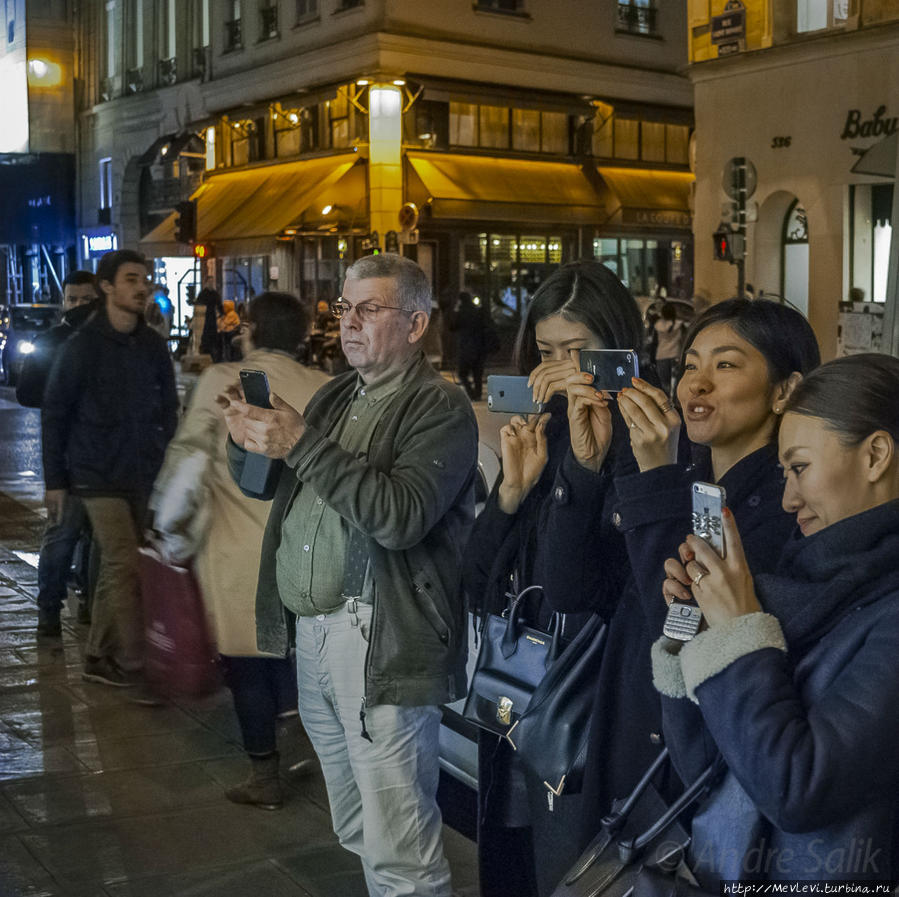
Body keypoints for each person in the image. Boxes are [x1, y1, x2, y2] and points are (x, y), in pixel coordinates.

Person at [217, 253, 478, 897]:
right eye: (344, 307)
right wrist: (250, 438)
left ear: (416, 324)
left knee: (401, 842)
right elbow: (265, 487)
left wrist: (299, 440)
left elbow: (400, 517)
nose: (349, 322)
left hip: (380, 637)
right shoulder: (336, 394)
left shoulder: (438, 407)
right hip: (314, 634)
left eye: (369, 308)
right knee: (357, 822)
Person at [538, 298, 820, 875]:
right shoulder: (679, 475)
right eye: (690, 364)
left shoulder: (790, 508)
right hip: (626, 745)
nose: (698, 384)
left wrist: (657, 479)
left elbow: (675, 622)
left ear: (785, 390)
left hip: (691, 778)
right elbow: (569, 591)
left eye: (726, 365)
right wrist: (586, 472)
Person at [653, 353, 899, 885]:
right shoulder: (798, 582)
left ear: (876, 454)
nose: (789, 499)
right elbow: (702, 768)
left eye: (801, 467)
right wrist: (698, 632)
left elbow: (798, 789)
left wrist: (740, 634)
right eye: (784, 473)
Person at [462, 260, 644, 897]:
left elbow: (582, 588)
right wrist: (512, 491)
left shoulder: (642, 438)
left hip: (585, 697)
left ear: (620, 349)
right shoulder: (541, 430)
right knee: (511, 853)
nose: (561, 368)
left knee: (566, 862)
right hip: (518, 679)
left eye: (579, 351)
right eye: (546, 352)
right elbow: (477, 580)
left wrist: (582, 474)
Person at [153, 291, 327, 807]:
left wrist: (166, 527)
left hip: (236, 551)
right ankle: (305, 736)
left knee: (248, 665)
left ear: (248, 329)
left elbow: (188, 464)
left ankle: (264, 776)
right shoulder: (323, 386)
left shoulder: (219, 382)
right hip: (305, 552)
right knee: (294, 657)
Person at [42, 249, 178, 687]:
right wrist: (56, 481)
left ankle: (99, 654)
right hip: (94, 473)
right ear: (107, 287)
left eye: (147, 279)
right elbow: (55, 412)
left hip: (141, 471)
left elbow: (168, 407)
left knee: (123, 565)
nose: (143, 288)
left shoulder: (153, 344)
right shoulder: (82, 345)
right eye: (132, 279)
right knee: (122, 561)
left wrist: (165, 454)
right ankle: (135, 662)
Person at [17, 270, 98, 635]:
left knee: (93, 538)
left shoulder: (106, 341)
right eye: (72, 299)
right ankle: (50, 608)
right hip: (66, 457)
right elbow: (26, 392)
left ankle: (87, 603)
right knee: (63, 532)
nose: (79, 305)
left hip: (102, 459)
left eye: (85, 299)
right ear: (64, 302)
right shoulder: (52, 341)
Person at [449, 290, 493, 401]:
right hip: (479, 347)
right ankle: (477, 394)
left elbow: (452, 327)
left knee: (462, 373)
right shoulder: (477, 311)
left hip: (466, 347)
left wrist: (454, 311)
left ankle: (472, 394)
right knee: (477, 373)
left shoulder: (461, 312)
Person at [651, 301, 686, 396]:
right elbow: (684, 341)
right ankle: (675, 400)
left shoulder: (657, 324)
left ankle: (665, 402)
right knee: (677, 382)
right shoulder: (679, 324)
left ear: (663, 313)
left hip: (661, 356)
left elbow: (654, 342)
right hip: (676, 355)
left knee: (664, 383)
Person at [196, 277, 223, 361]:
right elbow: (219, 305)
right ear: (206, 283)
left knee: (209, 336)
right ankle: (210, 355)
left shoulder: (204, 294)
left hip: (209, 317)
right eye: (210, 282)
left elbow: (219, 305)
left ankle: (209, 354)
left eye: (212, 282)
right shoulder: (212, 294)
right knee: (209, 336)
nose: (211, 284)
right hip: (207, 317)